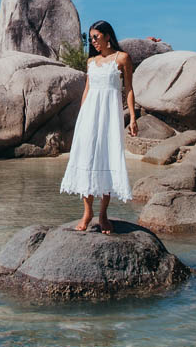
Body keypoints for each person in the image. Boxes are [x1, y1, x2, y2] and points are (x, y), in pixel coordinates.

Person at [59, 20, 137, 233]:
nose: (93, 42)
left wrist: (132, 117)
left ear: (107, 36)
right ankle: (87, 212)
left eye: (96, 37)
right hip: (89, 116)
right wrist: (81, 116)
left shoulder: (122, 58)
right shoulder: (91, 62)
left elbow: (128, 89)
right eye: (91, 38)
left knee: (107, 158)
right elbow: (87, 90)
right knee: (86, 158)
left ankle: (102, 214)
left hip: (110, 116)